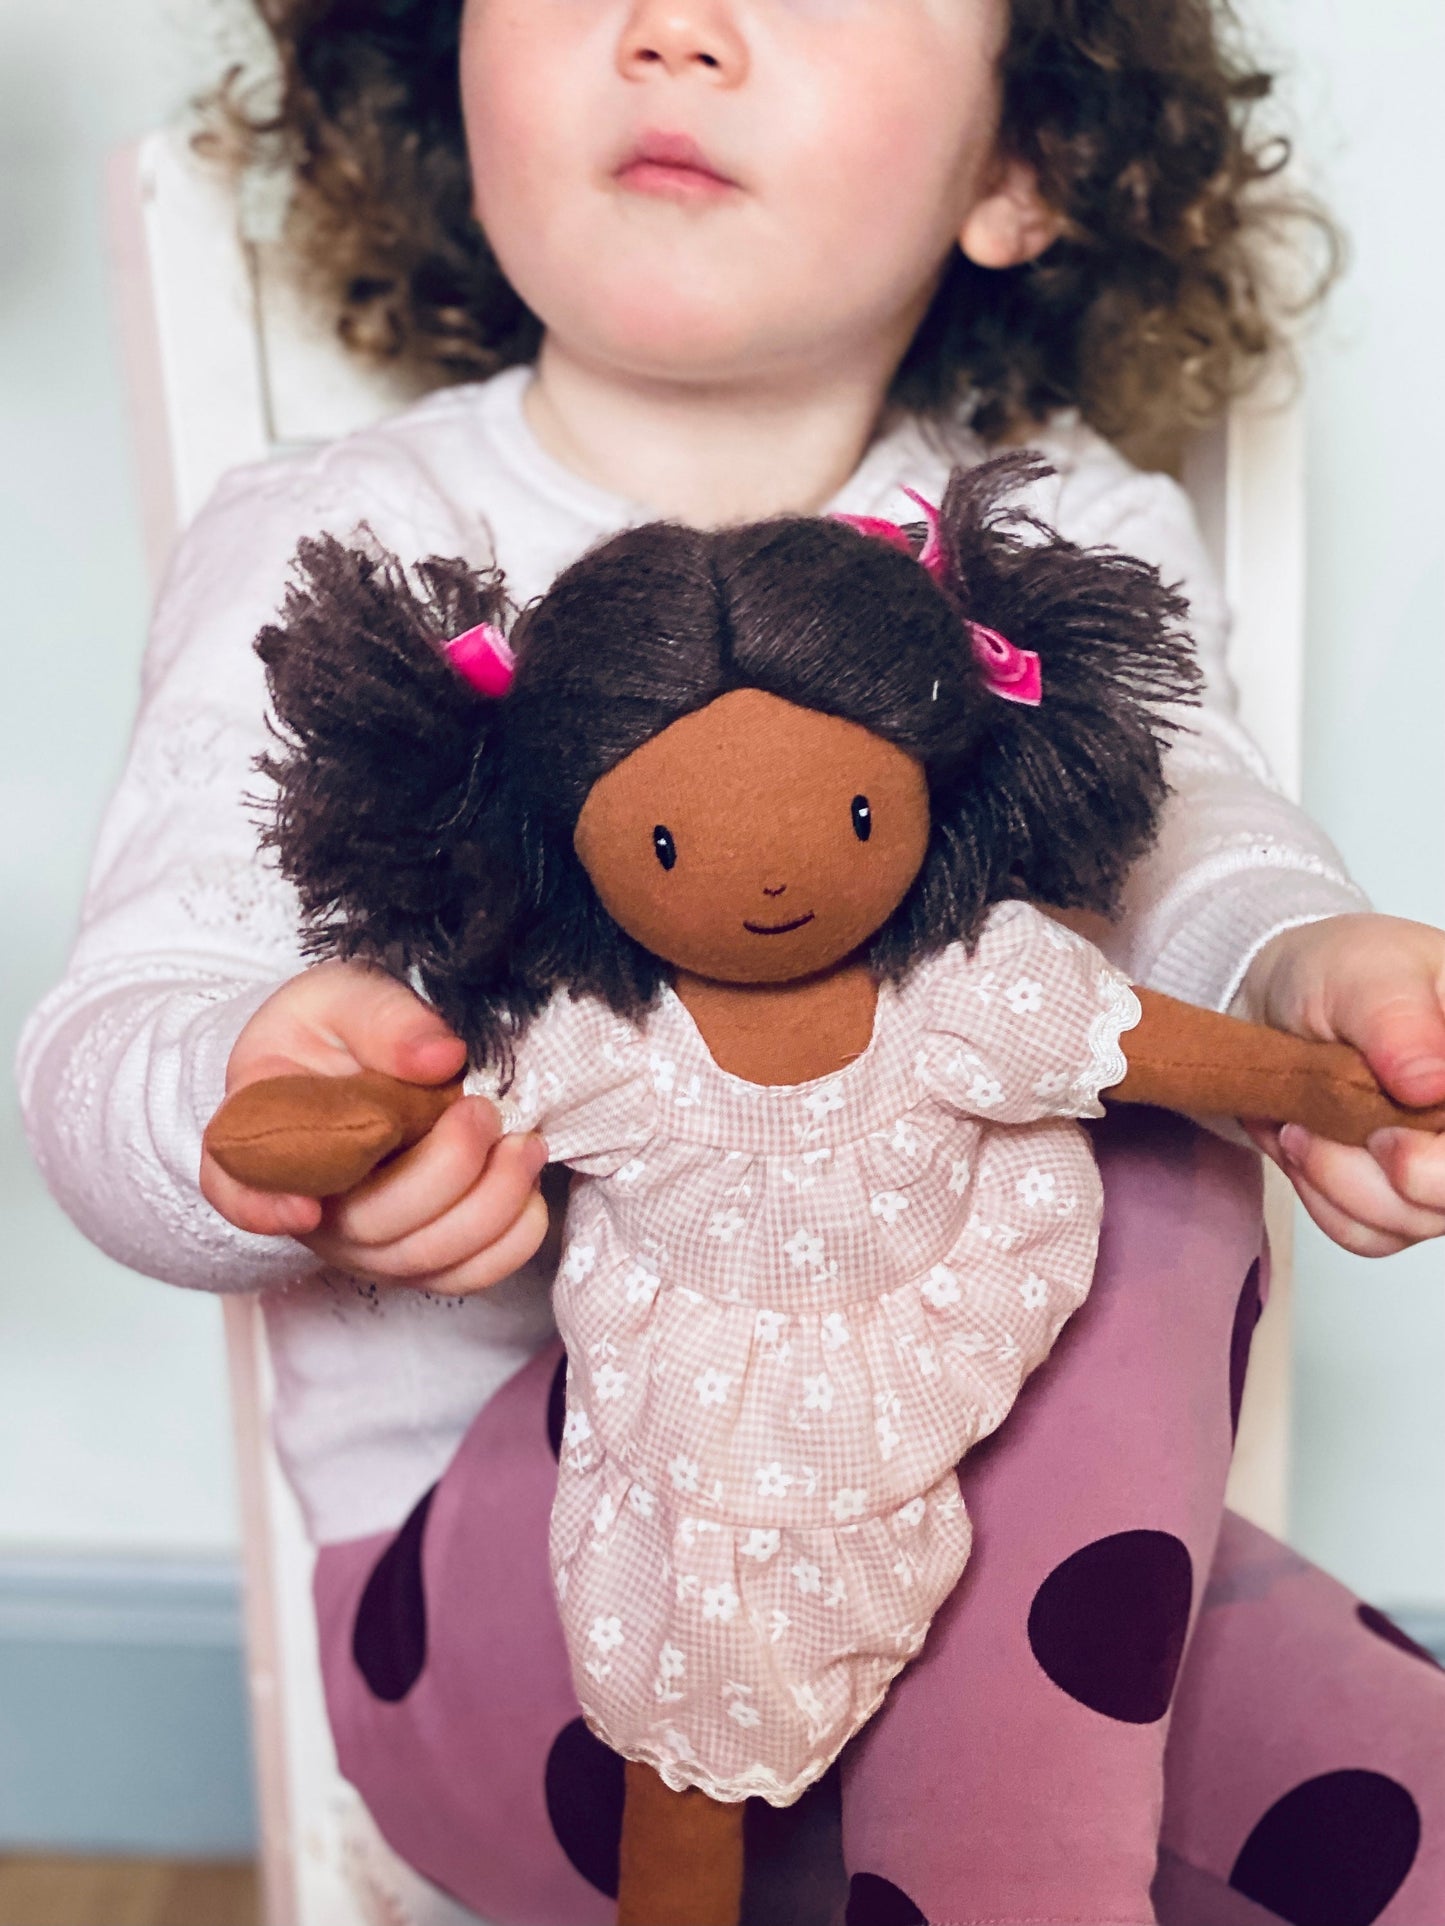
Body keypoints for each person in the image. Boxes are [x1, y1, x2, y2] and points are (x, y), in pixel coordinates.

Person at [17, 1, 1445, 1920]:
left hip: (1016, 1546)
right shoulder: (347, 548)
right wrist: (248, 1094)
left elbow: (1201, 845)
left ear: (1020, 161)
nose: (675, 28)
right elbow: (102, 1052)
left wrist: (1299, 967)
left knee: (1396, 1798)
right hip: (538, 1619)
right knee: (1135, 1151)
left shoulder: (1046, 541)